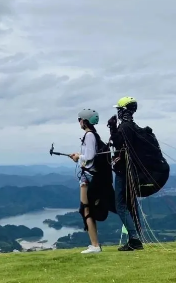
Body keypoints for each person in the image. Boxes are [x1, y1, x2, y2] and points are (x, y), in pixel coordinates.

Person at [108, 96, 144, 252]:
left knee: (121, 206)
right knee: (131, 204)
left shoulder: (125, 127)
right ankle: (135, 239)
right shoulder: (133, 126)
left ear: (123, 110)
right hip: (132, 171)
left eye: (119, 110)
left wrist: (112, 128)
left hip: (124, 171)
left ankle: (134, 239)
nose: (118, 112)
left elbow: (118, 144)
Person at [70, 108, 102, 254]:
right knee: (86, 209)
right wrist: (79, 156)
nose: (79, 123)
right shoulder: (92, 135)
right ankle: (94, 244)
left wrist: (78, 157)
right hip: (91, 175)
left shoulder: (89, 135)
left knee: (85, 209)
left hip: (88, 177)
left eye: (79, 120)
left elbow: (89, 157)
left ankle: (95, 245)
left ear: (84, 121)